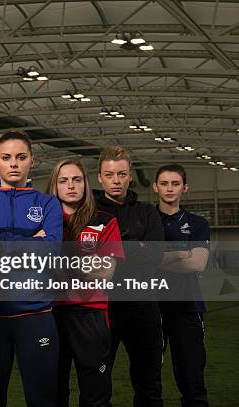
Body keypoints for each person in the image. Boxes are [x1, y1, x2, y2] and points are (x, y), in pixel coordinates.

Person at [0, 131, 62, 407]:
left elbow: (52, 251)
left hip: (36, 314)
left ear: (31, 161)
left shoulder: (47, 203)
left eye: (20, 157)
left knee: (43, 396)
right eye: (6, 157)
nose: (14, 164)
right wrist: (31, 240)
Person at [46, 158, 124, 407]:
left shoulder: (104, 220)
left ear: (86, 184)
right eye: (63, 180)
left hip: (91, 312)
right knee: (53, 390)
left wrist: (58, 261)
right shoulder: (43, 221)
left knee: (95, 392)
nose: (71, 186)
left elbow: (105, 273)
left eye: (77, 179)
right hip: (49, 312)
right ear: (54, 186)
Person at [94, 146, 165, 407]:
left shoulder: (146, 212)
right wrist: (136, 247)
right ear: (100, 177)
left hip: (143, 307)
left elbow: (155, 255)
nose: (116, 180)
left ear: (130, 176)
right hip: (102, 308)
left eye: (122, 174)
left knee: (149, 384)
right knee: (97, 385)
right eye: (110, 174)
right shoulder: (90, 211)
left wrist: (111, 251)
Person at [153, 164, 209, 407]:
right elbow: (137, 260)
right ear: (155, 186)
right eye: (164, 183)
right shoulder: (145, 218)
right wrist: (180, 253)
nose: (169, 188)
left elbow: (197, 264)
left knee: (192, 378)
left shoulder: (197, 223)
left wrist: (156, 257)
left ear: (185, 188)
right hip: (151, 308)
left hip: (187, 307)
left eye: (175, 183)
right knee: (147, 379)